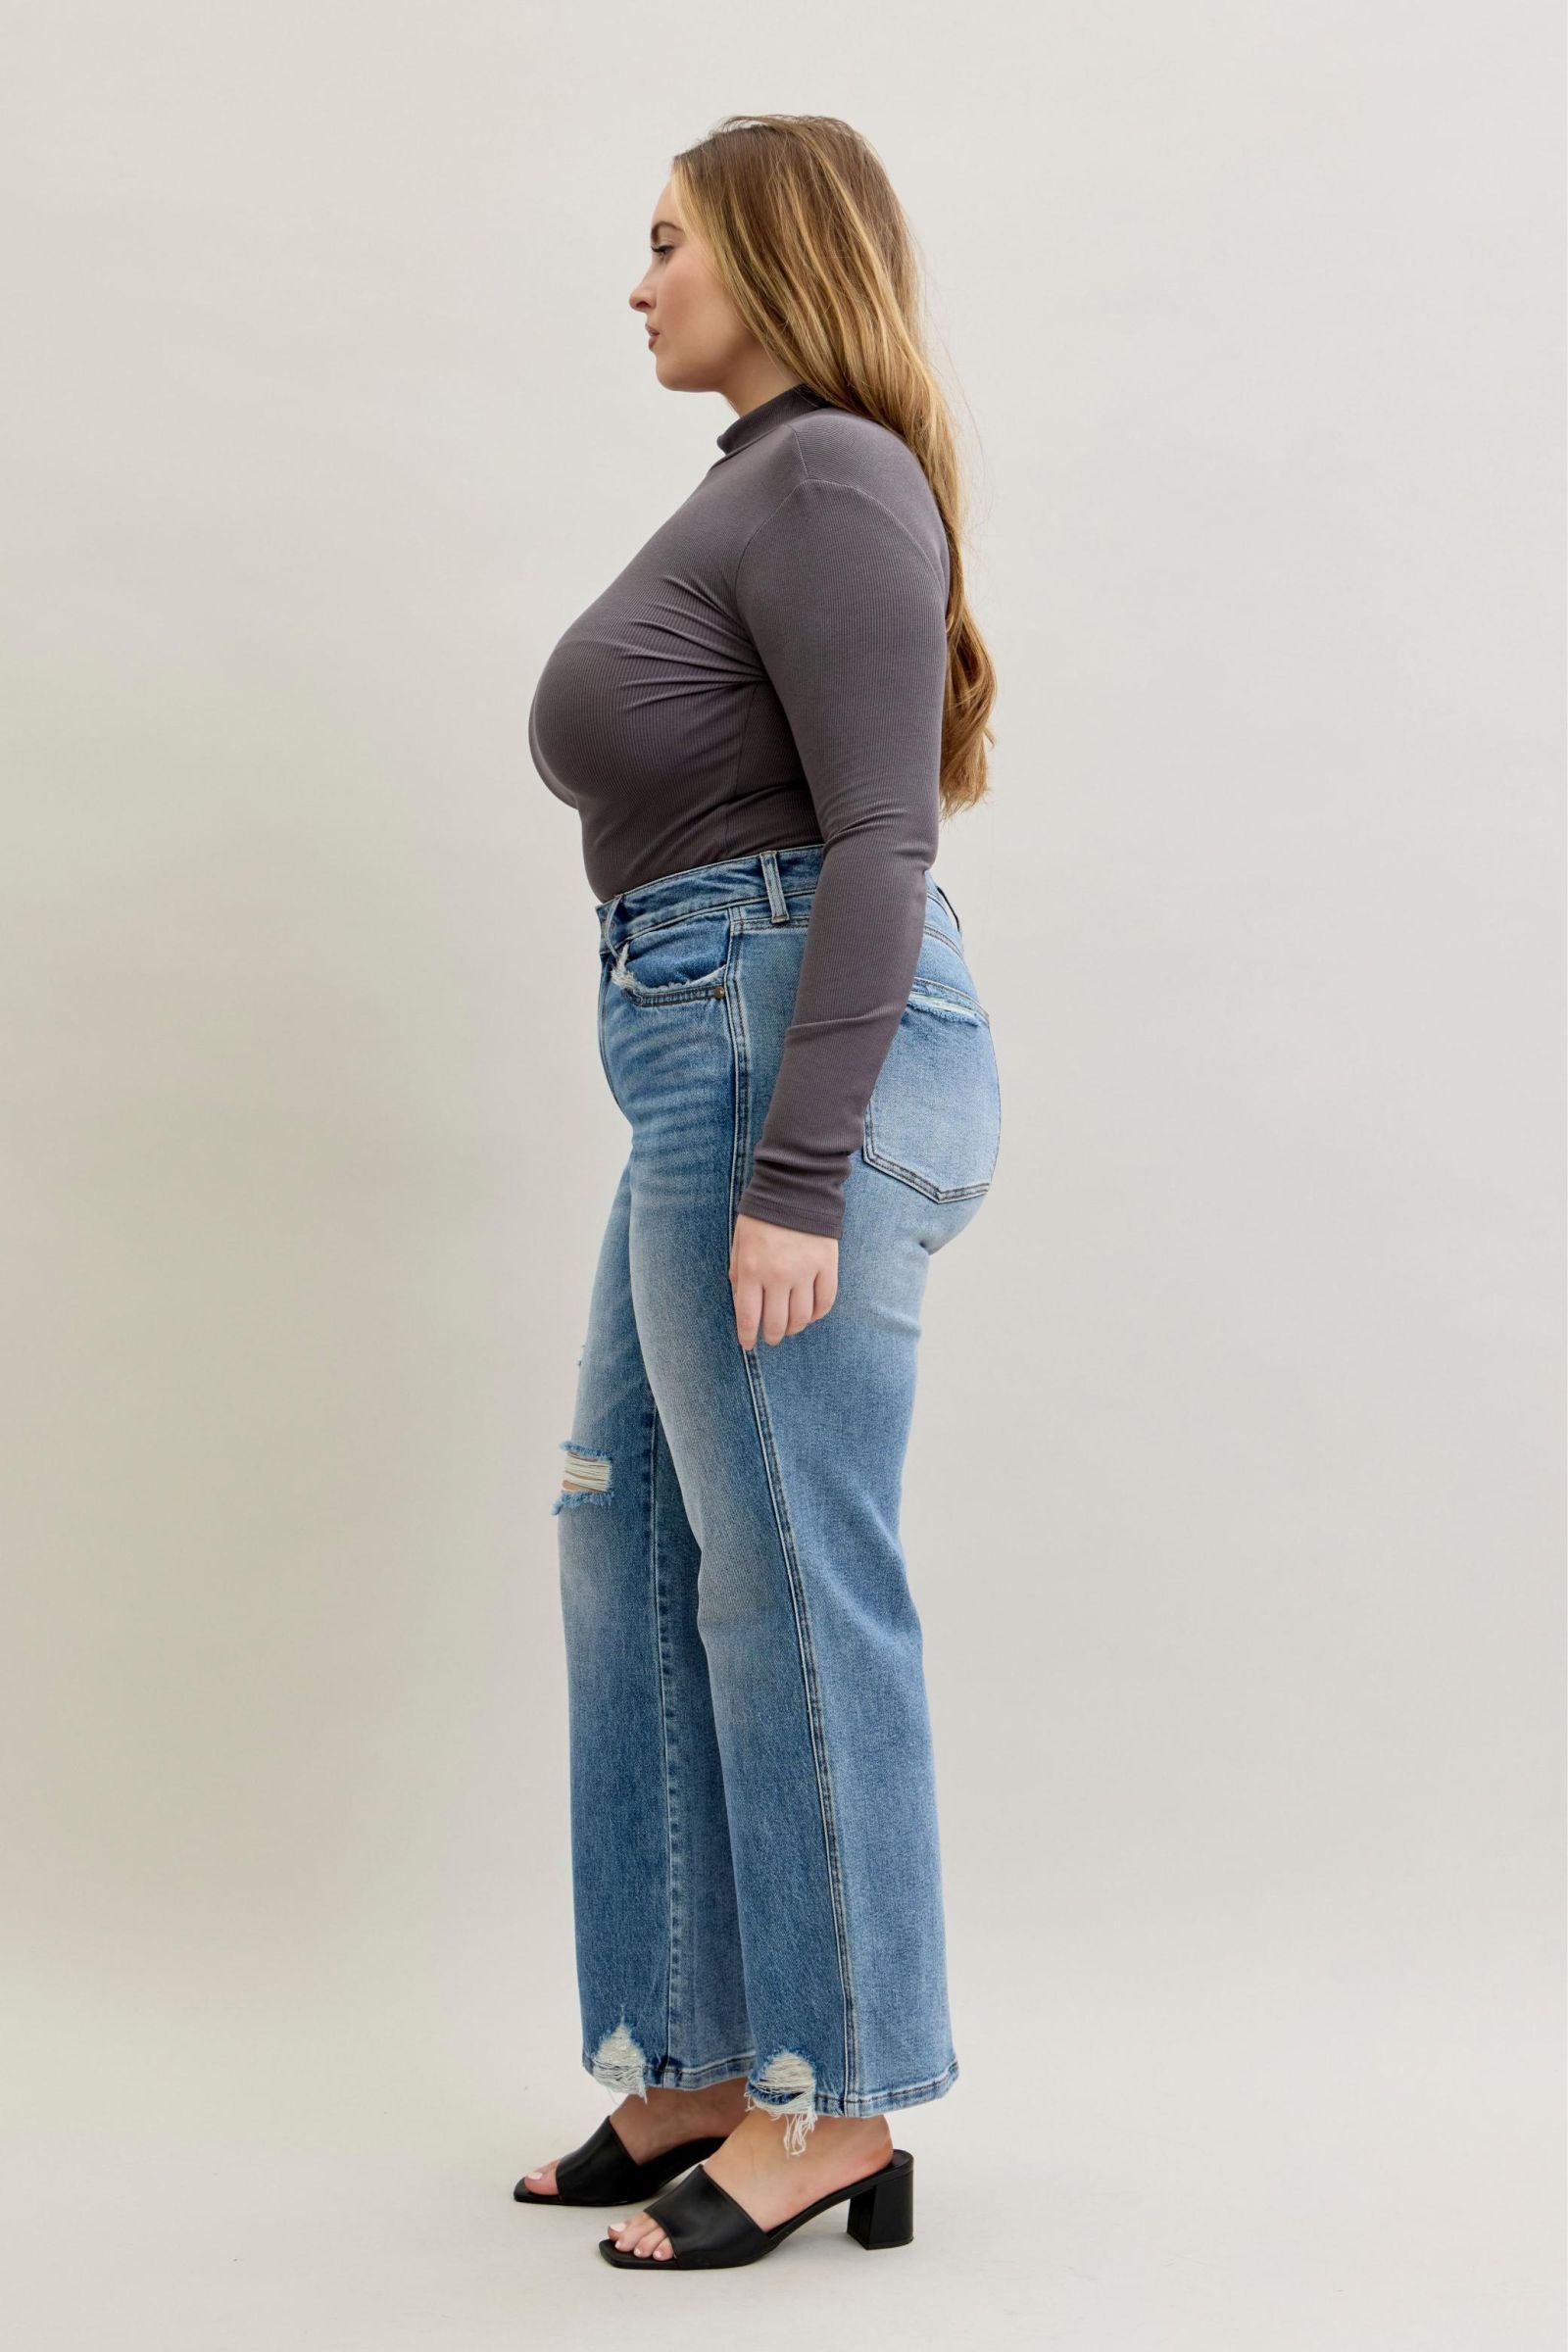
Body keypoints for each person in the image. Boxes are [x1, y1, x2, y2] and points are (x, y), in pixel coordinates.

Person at [515, 113, 1001, 2272]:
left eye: (668, 244)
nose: (638, 285)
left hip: (783, 1043)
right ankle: (699, 2058)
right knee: (626, 1540)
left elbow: (883, 836)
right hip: (698, 1041)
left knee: (789, 1575)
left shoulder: (827, 477)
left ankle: (839, 2096)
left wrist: (799, 1172)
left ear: (776, 256)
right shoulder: (759, 488)